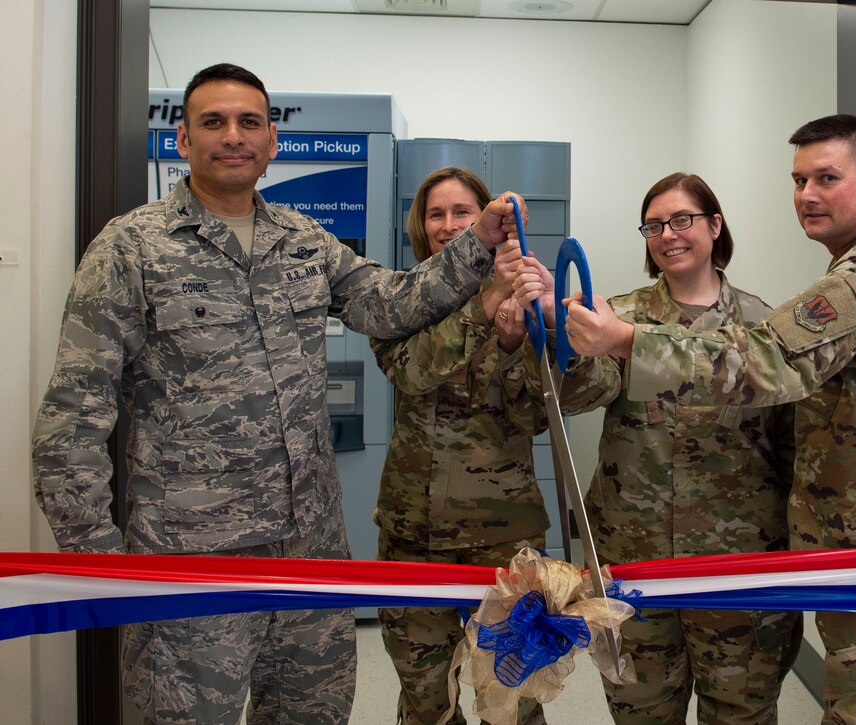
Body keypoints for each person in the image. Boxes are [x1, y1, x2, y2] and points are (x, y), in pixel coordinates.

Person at [32, 64, 525, 725]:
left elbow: (391, 302)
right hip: (194, 565)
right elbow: (72, 419)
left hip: (309, 556)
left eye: (249, 123)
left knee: (311, 715)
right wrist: (99, 562)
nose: (233, 136)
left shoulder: (303, 240)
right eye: (213, 122)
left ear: (271, 142)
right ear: (183, 140)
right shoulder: (130, 248)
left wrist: (479, 242)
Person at [559, 115, 856, 723]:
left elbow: (769, 364)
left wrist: (625, 341)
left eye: (827, 178)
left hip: (852, 552)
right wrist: (568, 341)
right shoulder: (625, 310)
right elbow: (583, 389)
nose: (808, 195)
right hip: (665, 553)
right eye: (799, 180)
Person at [514, 173, 801, 724]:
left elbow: (789, 447)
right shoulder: (617, 317)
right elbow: (579, 394)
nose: (668, 234)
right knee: (640, 712)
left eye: (682, 220)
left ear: (715, 226)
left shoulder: (763, 328)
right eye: (654, 226)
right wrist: (558, 327)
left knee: (741, 712)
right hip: (634, 563)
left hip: (735, 569)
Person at [369, 166, 550, 725]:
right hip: (412, 534)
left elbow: (535, 415)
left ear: (487, 221)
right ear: (419, 226)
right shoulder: (397, 299)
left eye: (462, 212)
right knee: (426, 699)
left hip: (505, 538)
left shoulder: (530, 293)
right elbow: (411, 372)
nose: (448, 225)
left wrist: (516, 340)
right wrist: (487, 300)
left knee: (514, 701)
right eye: (436, 214)